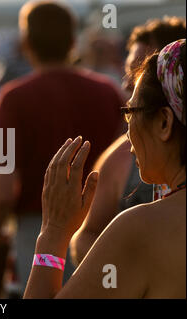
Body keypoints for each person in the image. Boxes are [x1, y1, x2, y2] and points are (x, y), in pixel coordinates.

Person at [0, 0, 123, 296]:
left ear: (26, 43)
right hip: (104, 232)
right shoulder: (108, 93)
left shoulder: (13, 98)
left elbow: (3, 190)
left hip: (38, 233)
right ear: (73, 41)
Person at [24, 39, 186, 298]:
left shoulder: (141, 229)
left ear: (164, 122)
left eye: (131, 111)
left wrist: (53, 233)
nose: (127, 132)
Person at [70, 16, 186, 265]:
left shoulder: (135, 223)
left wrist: (50, 238)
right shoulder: (120, 154)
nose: (126, 83)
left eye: (139, 73)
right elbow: (86, 235)